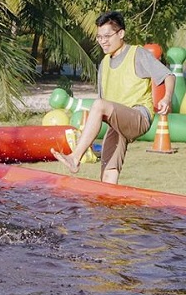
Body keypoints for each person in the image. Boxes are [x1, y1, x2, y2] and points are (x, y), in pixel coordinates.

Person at [51, 10, 175, 184]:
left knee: (99, 104)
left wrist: (167, 97)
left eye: (107, 36)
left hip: (139, 116)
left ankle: (75, 157)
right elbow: (102, 110)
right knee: (108, 171)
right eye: (99, 37)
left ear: (121, 33)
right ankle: (106, 201)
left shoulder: (137, 54)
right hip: (117, 122)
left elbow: (168, 75)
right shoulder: (104, 64)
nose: (103, 41)